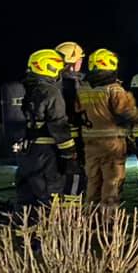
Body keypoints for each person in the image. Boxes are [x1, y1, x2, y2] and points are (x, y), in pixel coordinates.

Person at [77, 49, 138, 210]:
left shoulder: (82, 88)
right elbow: (127, 112)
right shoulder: (114, 89)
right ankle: (109, 221)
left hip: (90, 143)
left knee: (93, 182)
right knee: (112, 182)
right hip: (112, 144)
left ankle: (90, 219)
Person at [17, 49, 79, 210]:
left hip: (28, 151)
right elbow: (58, 124)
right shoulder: (50, 91)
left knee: (27, 198)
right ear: (49, 67)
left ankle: (24, 231)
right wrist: (69, 151)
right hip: (47, 152)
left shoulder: (26, 89)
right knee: (51, 195)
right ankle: (50, 231)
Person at [56, 41, 87, 204]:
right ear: (74, 62)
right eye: (80, 59)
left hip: (56, 140)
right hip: (74, 139)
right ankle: (72, 216)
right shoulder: (73, 84)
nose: (82, 62)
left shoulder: (53, 82)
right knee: (75, 176)